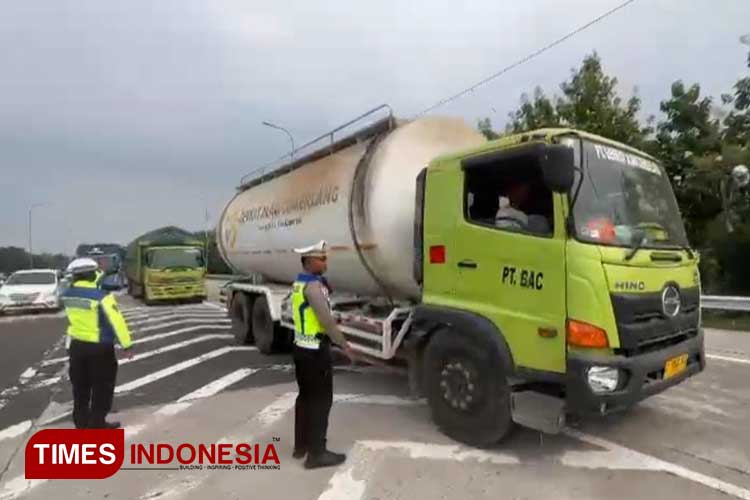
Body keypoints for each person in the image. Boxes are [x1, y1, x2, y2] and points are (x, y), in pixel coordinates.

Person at [291, 240, 355, 469]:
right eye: (322, 259)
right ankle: (317, 454)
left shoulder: (300, 284)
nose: (326, 262)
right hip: (315, 353)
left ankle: (301, 446)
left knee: (305, 398)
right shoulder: (313, 288)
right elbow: (325, 320)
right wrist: (343, 344)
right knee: (320, 401)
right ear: (310, 262)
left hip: (301, 347)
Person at [62, 258, 132, 429]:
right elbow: (117, 322)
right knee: (102, 387)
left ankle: (81, 422)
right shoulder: (102, 297)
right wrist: (127, 345)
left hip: (77, 347)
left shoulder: (68, 295)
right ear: (92, 274)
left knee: (80, 387)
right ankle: (97, 423)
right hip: (99, 349)